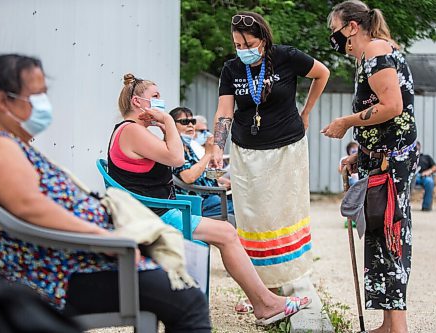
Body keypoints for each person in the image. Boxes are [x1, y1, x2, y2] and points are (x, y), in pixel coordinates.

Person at [0, 54, 211, 332]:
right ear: (3, 101)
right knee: (189, 299)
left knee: (186, 278)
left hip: (79, 259)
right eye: (36, 94)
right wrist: (103, 238)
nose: (44, 103)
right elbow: (30, 207)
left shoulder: (10, 144)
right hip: (61, 274)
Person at [107, 73, 311, 325]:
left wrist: (166, 127)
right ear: (138, 102)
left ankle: (265, 302)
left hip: (154, 211)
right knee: (226, 233)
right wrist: (170, 123)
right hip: (154, 217)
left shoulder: (132, 131)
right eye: (155, 97)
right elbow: (177, 159)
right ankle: (265, 304)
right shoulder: (131, 131)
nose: (160, 101)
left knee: (226, 232)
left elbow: (170, 157)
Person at [211, 11, 330, 299]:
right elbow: (225, 111)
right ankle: (261, 289)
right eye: (238, 46)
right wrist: (217, 145)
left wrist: (306, 111)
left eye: (249, 45)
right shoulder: (231, 69)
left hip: (287, 148)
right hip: (246, 151)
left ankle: (283, 280)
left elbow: (322, 73)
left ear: (263, 40)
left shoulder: (286, 56)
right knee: (253, 217)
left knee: (282, 212)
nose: (244, 51)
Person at [323, 2, 418, 332]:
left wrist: (346, 122)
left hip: (391, 164)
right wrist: (359, 154)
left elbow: (393, 106)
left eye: (335, 30)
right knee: (379, 236)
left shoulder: (376, 49)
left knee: (390, 236)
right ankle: (388, 324)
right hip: (378, 159)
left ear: (351, 27)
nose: (333, 39)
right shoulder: (372, 54)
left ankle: (398, 328)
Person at [169, 107, 234, 217]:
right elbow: (188, 177)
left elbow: (200, 172)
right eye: (184, 122)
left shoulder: (187, 146)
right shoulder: (176, 148)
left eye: (192, 121)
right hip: (200, 201)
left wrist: (220, 179)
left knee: (244, 200)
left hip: (211, 196)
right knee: (245, 207)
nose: (190, 125)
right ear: (172, 125)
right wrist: (208, 154)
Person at [415, 141, 436, 211]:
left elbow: (435, 167)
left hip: (422, 177)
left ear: (419, 147)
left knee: (429, 181)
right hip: (411, 177)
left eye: (417, 146)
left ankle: (426, 207)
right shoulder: (408, 157)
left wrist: (428, 172)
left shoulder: (426, 157)